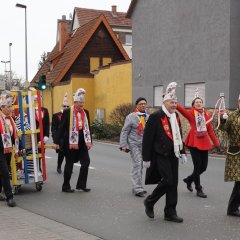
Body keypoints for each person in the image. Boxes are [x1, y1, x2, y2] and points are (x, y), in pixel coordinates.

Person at [142, 82, 186, 223]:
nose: (174, 105)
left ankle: (170, 212)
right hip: (160, 154)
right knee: (167, 181)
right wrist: (146, 158)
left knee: (173, 184)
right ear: (165, 102)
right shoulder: (156, 116)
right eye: (172, 102)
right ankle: (150, 201)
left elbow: (179, 135)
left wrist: (183, 151)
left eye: (175, 102)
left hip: (174, 153)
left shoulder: (176, 116)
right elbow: (147, 139)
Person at [176, 89, 219, 198]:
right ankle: (198, 188)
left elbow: (210, 131)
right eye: (196, 102)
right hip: (194, 142)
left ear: (202, 104)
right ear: (193, 104)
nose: (199, 103)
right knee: (197, 166)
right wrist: (172, 101)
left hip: (204, 142)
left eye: (200, 102)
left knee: (203, 167)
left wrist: (216, 143)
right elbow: (181, 110)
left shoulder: (207, 115)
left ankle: (189, 179)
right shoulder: (191, 113)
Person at [55, 88, 92, 193]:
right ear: (75, 102)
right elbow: (61, 128)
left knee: (86, 162)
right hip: (70, 142)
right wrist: (56, 142)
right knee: (69, 164)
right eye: (80, 103)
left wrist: (90, 141)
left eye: (83, 102)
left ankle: (81, 185)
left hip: (82, 141)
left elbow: (88, 128)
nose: (82, 105)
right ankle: (65, 186)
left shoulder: (86, 112)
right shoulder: (67, 112)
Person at [120, 97, 149, 197]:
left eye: (145, 104)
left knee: (142, 165)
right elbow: (125, 131)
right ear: (137, 105)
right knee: (137, 163)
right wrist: (123, 145)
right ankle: (137, 188)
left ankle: (137, 186)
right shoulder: (131, 117)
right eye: (141, 104)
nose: (143, 105)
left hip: (145, 145)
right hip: (134, 144)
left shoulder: (147, 116)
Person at [218, 94, 240, 217]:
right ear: (238, 102)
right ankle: (232, 208)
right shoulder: (232, 115)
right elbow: (224, 128)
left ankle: (232, 208)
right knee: (239, 181)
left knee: (239, 183)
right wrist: (223, 119)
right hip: (236, 153)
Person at [0, 91, 19, 207]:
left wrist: (19, 147)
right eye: (8, 106)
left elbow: (15, 135)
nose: (11, 108)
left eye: (11, 106)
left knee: (2, 172)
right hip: (0, 150)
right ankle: (9, 197)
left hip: (8, 150)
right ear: (2, 107)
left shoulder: (11, 119)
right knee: (5, 173)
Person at [51, 93, 69, 174]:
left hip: (68, 137)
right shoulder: (56, 115)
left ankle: (68, 167)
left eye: (67, 106)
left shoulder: (70, 115)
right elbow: (53, 128)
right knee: (61, 153)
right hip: (60, 138)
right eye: (64, 106)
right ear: (61, 106)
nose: (65, 108)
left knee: (69, 154)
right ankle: (59, 166)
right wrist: (55, 139)